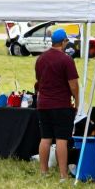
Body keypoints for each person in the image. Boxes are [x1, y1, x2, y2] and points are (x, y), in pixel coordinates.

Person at [34, 27, 79, 179]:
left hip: (43, 104)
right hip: (61, 104)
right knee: (61, 139)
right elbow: (73, 85)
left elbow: (38, 81)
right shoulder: (67, 59)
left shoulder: (40, 59)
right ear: (64, 41)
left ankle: (43, 171)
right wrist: (77, 100)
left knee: (45, 138)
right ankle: (63, 174)